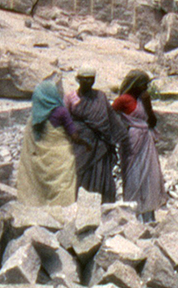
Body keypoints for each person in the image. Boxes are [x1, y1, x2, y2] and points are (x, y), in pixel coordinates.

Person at [113, 70, 166, 220]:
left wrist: (148, 105)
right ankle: (133, 213)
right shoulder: (124, 99)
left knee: (149, 173)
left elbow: (152, 122)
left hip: (146, 139)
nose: (145, 88)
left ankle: (148, 213)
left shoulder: (144, 100)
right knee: (133, 174)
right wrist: (121, 130)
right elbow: (111, 115)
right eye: (143, 84)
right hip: (132, 139)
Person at [16, 77, 78, 207]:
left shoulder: (34, 118)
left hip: (39, 160)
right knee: (62, 184)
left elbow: (31, 142)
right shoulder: (61, 112)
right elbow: (73, 134)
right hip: (61, 158)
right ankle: (61, 210)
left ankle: (38, 208)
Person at [66, 68, 121, 202]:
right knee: (80, 171)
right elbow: (65, 120)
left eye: (91, 78)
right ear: (78, 79)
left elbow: (111, 118)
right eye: (85, 78)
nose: (89, 81)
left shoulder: (100, 96)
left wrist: (117, 139)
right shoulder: (70, 97)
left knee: (99, 172)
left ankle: (103, 207)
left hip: (100, 141)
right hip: (80, 143)